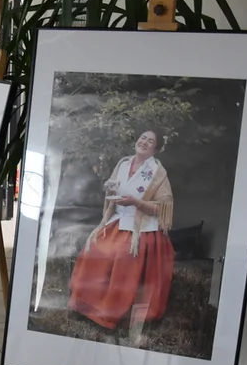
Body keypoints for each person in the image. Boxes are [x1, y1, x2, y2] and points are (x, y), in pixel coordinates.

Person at [68, 128, 175, 330]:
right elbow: (114, 188)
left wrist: (136, 202)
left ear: (156, 149)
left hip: (141, 229)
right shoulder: (124, 164)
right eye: (142, 137)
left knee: (121, 257)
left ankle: (109, 313)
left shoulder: (158, 173)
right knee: (95, 249)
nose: (144, 142)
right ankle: (86, 306)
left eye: (150, 141)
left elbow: (162, 208)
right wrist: (111, 189)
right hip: (118, 221)